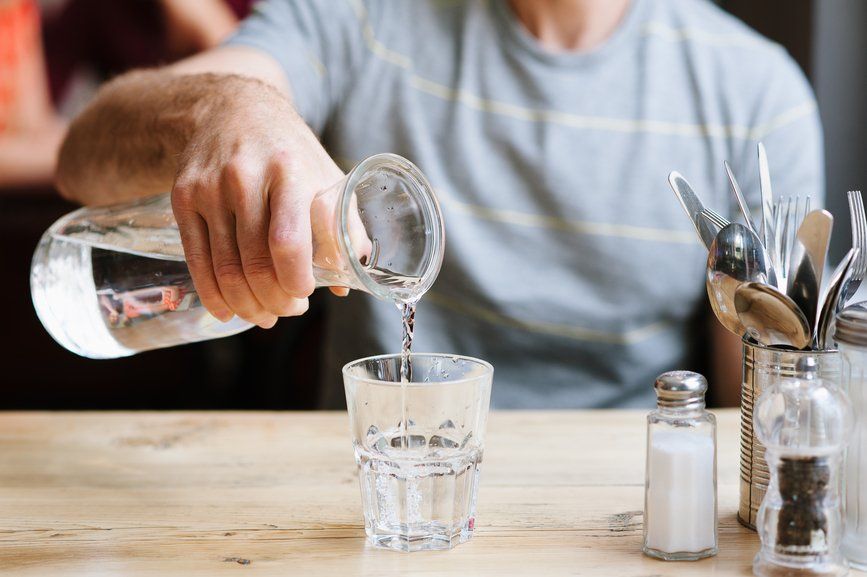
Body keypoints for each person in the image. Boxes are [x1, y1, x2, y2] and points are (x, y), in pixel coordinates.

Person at [54, 0, 823, 409]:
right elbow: (81, 156)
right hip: (367, 508)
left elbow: (757, 417)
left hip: (622, 519)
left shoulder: (755, 95)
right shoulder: (363, 17)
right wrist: (225, 110)